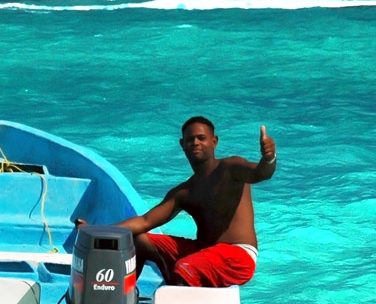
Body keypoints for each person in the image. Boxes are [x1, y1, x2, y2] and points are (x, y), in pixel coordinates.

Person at [76, 116, 276, 287]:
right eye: (190, 139)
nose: (195, 143)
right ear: (182, 145)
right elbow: (145, 221)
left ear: (214, 142)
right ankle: (122, 298)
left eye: (201, 138)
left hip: (238, 256)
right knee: (139, 240)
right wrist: (98, 231)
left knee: (186, 268)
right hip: (203, 252)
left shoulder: (231, 168)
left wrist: (269, 158)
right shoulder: (185, 191)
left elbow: (261, 173)